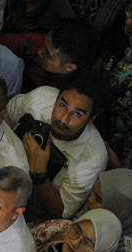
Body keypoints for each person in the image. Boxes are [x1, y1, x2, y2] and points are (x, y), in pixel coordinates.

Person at [6, 72, 110, 220]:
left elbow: (60, 213)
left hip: (28, 216)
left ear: (90, 120)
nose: (63, 118)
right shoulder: (40, 99)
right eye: (62, 105)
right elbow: (5, 118)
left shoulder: (93, 159)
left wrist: (39, 174)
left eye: (77, 114)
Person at [82, 169, 132, 248]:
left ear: (123, 211)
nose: (90, 199)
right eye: (93, 191)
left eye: (98, 200)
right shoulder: (99, 219)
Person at [22, 18, 97, 91]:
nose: (39, 52)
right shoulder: (40, 41)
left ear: (69, 67)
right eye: (43, 45)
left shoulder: (68, 94)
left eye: (48, 54)